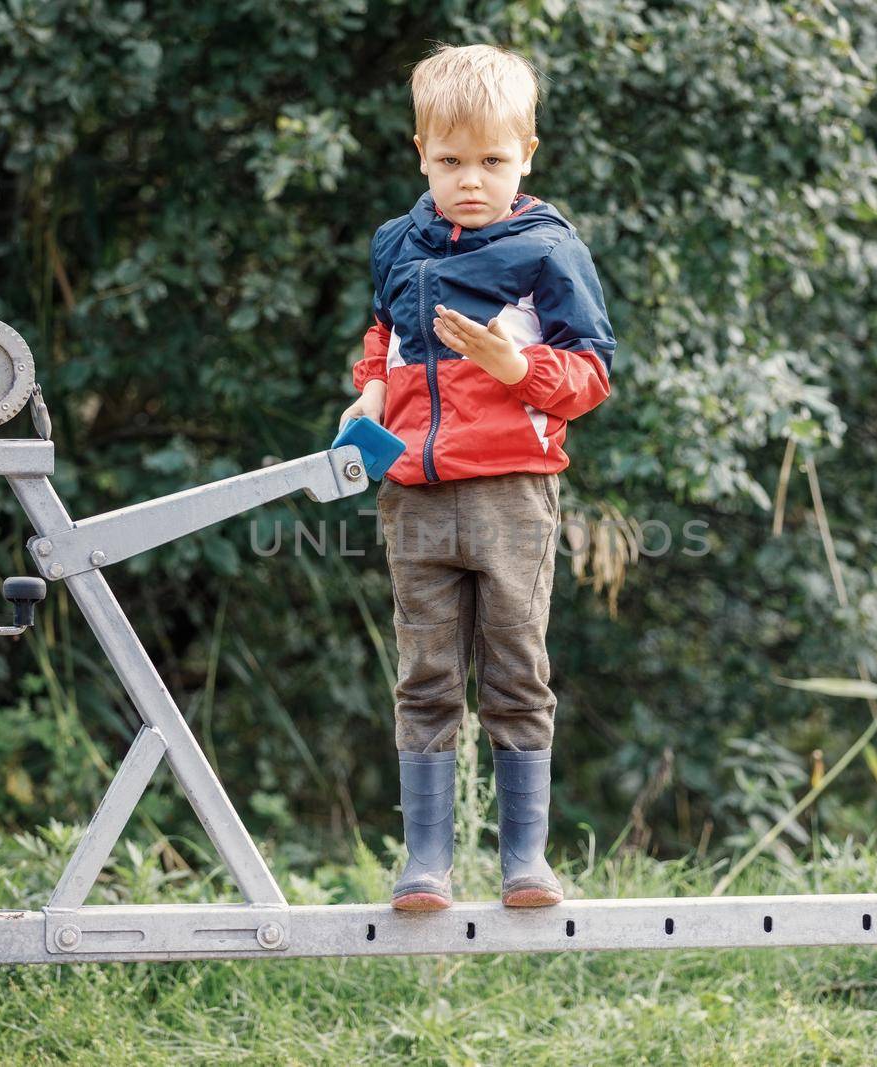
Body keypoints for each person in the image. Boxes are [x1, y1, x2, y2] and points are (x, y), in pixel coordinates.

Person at [339, 42, 616, 910]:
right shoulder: (397, 244)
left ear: (526, 154)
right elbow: (384, 336)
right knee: (424, 676)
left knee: (514, 671)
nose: (470, 179)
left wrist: (514, 367)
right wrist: (371, 392)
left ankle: (524, 859)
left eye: (492, 160)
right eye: (450, 160)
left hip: (510, 493)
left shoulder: (546, 250)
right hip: (413, 493)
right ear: (421, 152)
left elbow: (590, 376)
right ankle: (426, 861)